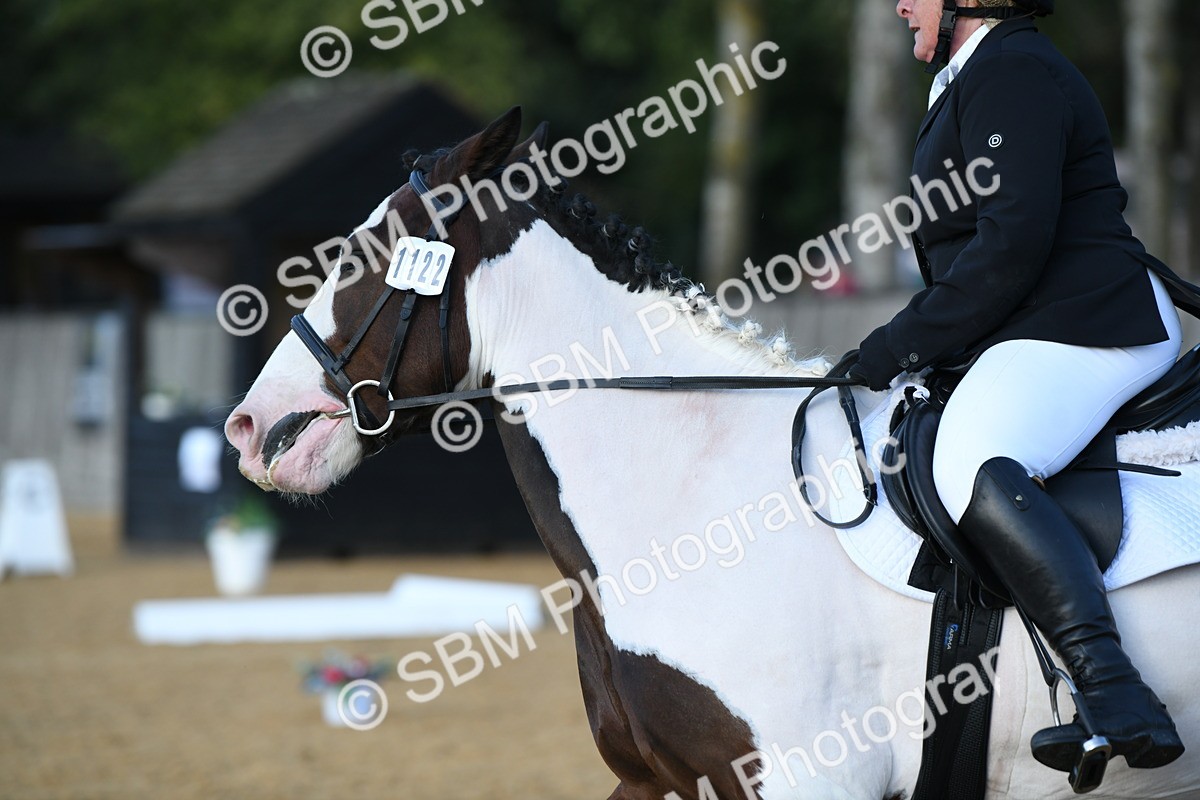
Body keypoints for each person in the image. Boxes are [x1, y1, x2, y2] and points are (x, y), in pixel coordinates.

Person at [849, 0, 1186, 772]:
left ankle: (1113, 690)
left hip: (1092, 323)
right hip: (1041, 322)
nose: (901, 4)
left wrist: (899, 342)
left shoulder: (1013, 70)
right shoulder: (976, 76)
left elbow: (1010, 245)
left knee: (969, 458)